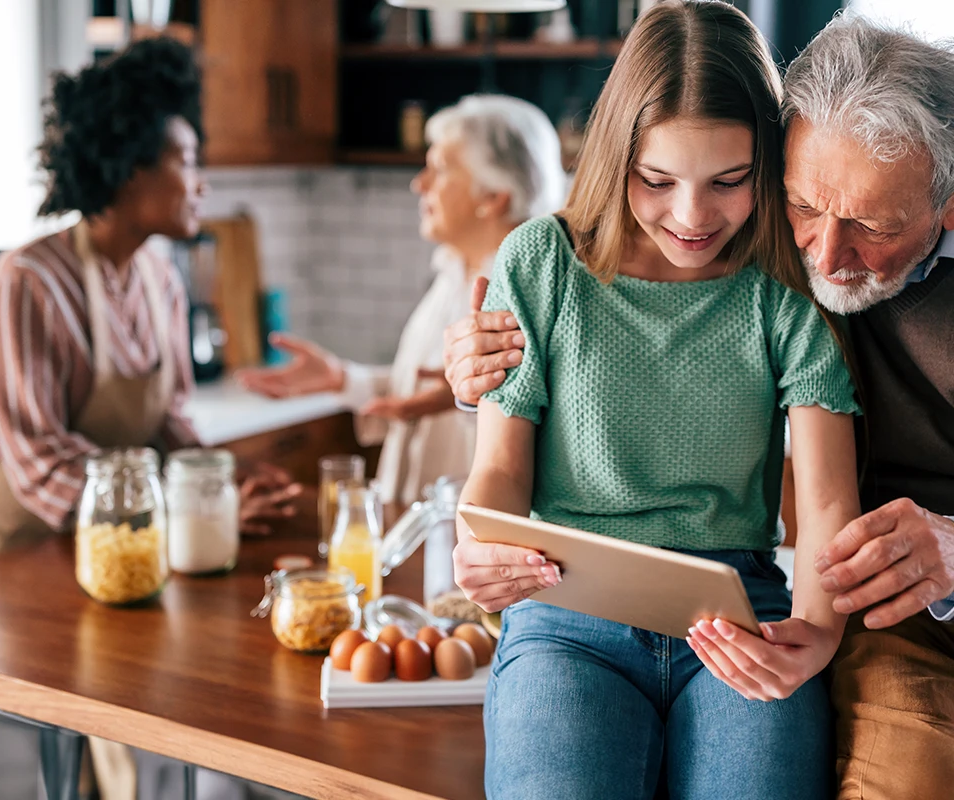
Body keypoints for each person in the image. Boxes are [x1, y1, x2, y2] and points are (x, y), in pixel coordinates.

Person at [444, 13, 954, 797]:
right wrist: (479, 540)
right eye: (657, 181)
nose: (692, 216)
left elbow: (824, 500)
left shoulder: (782, 288)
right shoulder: (542, 263)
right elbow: (500, 474)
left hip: (741, 610)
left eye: (729, 181)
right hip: (566, 614)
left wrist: (815, 635)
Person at [0, 38, 297, 800]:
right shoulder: (30, 278)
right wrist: (188, 504)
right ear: (131, 168)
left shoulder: (159, 275)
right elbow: (41, 459)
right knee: (65, 717)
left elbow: (168, 420)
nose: (202, 182)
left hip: (103, 534)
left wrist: (219, 478)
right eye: (186, 160)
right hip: (12, 544)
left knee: (116, 704)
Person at [234, 95, 564, 536]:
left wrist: (469, 396)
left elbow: (538, 429)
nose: (420, 184)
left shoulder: (530, 295)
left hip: (471, 539)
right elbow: (425, 387)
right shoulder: (452, 272)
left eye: (440, 168)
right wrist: (340, 379)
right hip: (415, 527)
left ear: (493, 196)